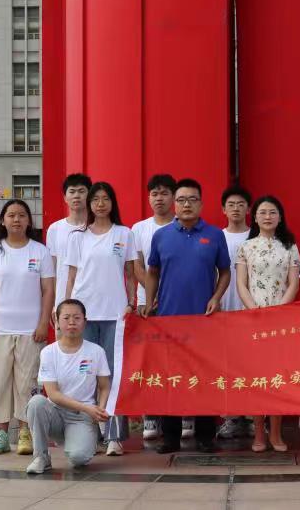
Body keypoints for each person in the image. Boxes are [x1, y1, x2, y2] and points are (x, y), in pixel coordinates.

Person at [143, 177, 231, 454]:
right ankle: (170, 437)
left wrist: (216, 297)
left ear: (201, 204)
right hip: (169, 319)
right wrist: (148, 302)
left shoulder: (214, 235)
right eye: (181, 200)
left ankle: (205, 436)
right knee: (171, 378)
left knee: (204, 378)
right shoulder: (161, 236)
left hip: (204, 320)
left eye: (192, 199)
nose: (186, 204)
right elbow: (152, 272)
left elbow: (225, 272)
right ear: (174, 204)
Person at [0, 199, 55, 456]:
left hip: (31, 331)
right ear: (3, 220)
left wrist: (43, 323)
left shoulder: (40, 251)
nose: (17, 219)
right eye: (11, 215)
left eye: (22, 215)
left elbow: (48, 290)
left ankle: (24, 432)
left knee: (27, 384)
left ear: (29, 221)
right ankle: (0, 435)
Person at [65, 181, 136, 456]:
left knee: (113, 375)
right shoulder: (77, 237)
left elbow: (130, 274)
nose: (100, 204)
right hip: (84, 314)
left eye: (106, 199)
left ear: (112, 203)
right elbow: (71, 276)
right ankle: (89, 434)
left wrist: (131, 303)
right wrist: (66, 310)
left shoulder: (124, 234)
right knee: (87, 375)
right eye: (96, 199)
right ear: (90, 204)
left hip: (115, 314)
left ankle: (114, 436)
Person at [236, 195, 300, 452]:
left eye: (272, 212)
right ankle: (259, 435)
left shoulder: (290, 247)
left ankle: (275, 434)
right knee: (256, 378)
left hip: (281, 320)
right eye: (262, 212)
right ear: (255, 217)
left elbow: (294, 283)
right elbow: (241, 283)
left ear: (280, 217)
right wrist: (254, 310)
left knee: (277, 377)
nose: (267, 216)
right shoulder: (246, 247)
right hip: (252, 319)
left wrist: (279, 311)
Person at [25, 299, 111, 474]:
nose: (72, 322)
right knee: (36, 403)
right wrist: (87, 408)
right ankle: (41, 457)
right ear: (56, 321)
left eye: (77, 318)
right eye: (66, 318)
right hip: (56, 413)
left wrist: (99, 410)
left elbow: (104, 386)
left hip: (82, 417)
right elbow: (53, 394)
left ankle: (79, 439)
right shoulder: (48, 352)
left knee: (79, 458)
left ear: (85, 322)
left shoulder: (96, 351)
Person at [132, 173, 177, 441]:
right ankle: (150, 414)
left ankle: (185, 415)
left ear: (173, 197)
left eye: (164, 193)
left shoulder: (182, 226)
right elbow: (137, 265)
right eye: (154, 194)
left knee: (178, 360)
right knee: (149, 360)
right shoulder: (139, 229)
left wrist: (165, 294)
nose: (159, 198)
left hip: (176, 303)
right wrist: (151, 296)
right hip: (146, 305)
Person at [216, 184, 253, 441]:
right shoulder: (216, 236)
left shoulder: (257, 236)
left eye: (241, 204)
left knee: (252, 365)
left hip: (251, 309)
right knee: (226, 366)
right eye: (231, 205)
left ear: (248, 209)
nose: (236, 209)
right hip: (223, 308)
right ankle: (230, 417)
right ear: (223, 209)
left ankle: (253, 417)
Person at [46, 173, 92, 326]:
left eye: (81, 191)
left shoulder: (96, 228)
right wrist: (54, 304)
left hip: (92, 301)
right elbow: (51, 270)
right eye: (72, 191)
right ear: (65, 197)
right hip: (63, 303)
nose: (76, 196)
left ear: (89, 195)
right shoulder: (55, 229)